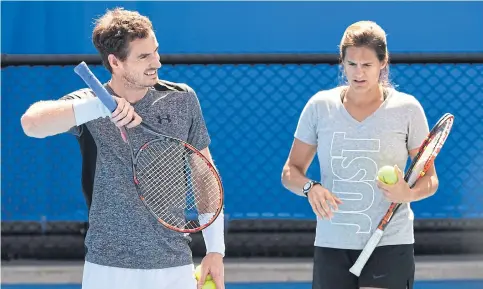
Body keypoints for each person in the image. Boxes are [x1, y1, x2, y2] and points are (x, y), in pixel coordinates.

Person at [20, 8, 225, 289]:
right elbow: (31, 123)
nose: (157, 62)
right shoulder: (88, 104)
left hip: (174, 267)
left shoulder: (182, 99)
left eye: (155, 51)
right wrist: (97, 106)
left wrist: (215, 249)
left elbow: (205, 176)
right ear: (115, 62)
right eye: (144, 57)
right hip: (106, 268)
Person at [281, 21, 439, 289]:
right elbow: (290, 172)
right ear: (342, 62)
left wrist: (408, 194)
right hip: (332, 244)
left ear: (383, 63)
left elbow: (431, 179)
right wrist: (310, 188)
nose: (358, 73)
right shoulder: (319, 107)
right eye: (351, 64)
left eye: (367, 65)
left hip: (390, 243)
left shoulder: (408, 109)